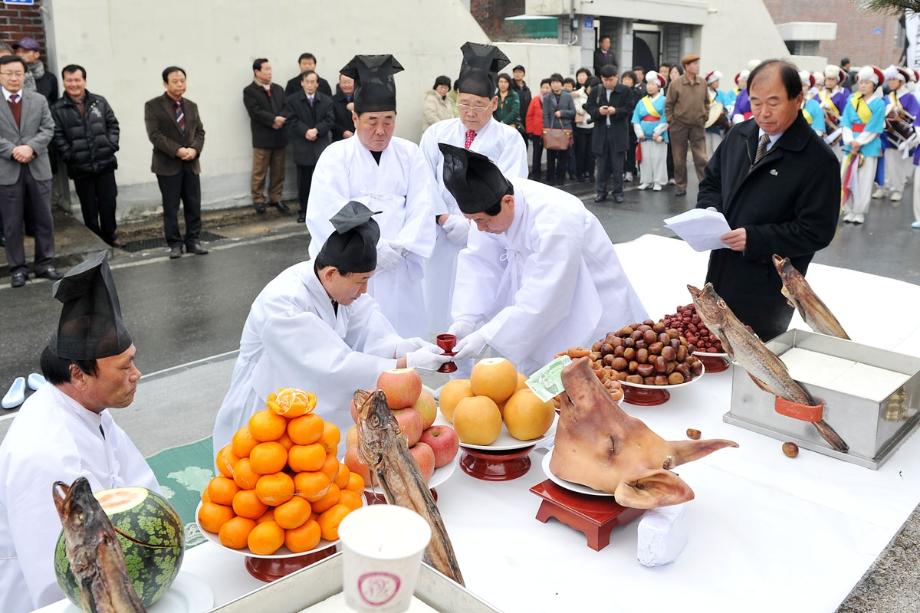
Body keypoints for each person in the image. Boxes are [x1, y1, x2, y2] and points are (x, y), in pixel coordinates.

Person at [213, 201, 449, 450]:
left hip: (307, 394)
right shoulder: (284, 302)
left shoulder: (340, 289)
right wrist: (405, 364)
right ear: (331, 274)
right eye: (361, 281)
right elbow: (329, 365)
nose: (365, 290)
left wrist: (401, 348)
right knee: (269, 470)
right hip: (267, 396)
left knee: (326, 455)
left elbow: (368, 325)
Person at [0, 252, 158, 613]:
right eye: (125, 366)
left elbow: (139, 488)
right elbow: (60, 582)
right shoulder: (45, 455)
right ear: (78, 374)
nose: (137, 374)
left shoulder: (87, 408)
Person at [440, 144, 647, 375]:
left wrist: (488, 335)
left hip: (592, 302)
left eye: (482, 221)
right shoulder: (489, 209)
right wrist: (467, 318)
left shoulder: (556, 218)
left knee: (599, 374)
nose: (480, 228)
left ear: (508, 202)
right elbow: (480, 265)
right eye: (473, 221)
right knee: (541, 376)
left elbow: (545, 295)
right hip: (541, 307)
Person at [696, 59, 840, 341]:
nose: (763, 113)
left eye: (773, 102)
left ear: (798, 99)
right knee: (712, 344)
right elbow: (712, 182)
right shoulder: (740, 135)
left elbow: (817, 231)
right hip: (721, 267)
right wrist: (709, 212)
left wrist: (756, 239)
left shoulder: (818, 160)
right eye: (756, 102)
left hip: (769, 285)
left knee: (757, 355)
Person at [306, 54, 437, 338]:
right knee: (357, 343)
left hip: (399, 265)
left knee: (401, 345)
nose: (381, 130)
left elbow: (422, 207)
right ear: (355, 117)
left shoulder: (410, 154)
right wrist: (372, 250)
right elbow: (326, 212)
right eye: (371, 121)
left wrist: (399, 247)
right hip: (352, 271)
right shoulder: (335, 156)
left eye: (388, 121)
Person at [419, 41, 527, 335]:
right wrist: (443, 217)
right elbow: (423, 180)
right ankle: (445, 360)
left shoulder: (509, 139)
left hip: (488, 236)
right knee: (441, 301)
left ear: (494, 104)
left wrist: (475, 223)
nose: (470, 112)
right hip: (442, 235)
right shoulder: (436, 134)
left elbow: (512, 187)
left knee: (483, 305)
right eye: (464, 103)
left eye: (479, 105)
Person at [0, 54, 60, 288]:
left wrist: (31, 148)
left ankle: (45, 263)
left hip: (37, 166)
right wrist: (13, 150)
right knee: (12, 222)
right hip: (7, 168)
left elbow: (48, 128)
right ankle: (18, 268)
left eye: (18, 73)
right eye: (8, 73)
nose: (14, 78)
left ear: (24, 75)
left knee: (44, 218)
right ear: (0, 75)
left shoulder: (38, 100)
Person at [51, 64, 121, 247]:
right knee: (89, 207)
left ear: (84, 81)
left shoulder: (99, 102)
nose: (73, 84)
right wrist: (70, 155)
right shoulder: (57, 108)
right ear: (64, 82)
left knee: (108, 203)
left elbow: (113, 124)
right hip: (80, 167)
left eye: (77, 80)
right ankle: (95, 241)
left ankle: (111, 236)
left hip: (105, 163)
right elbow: (57, 136)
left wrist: (110, 145)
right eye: (69, 80)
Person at [144, 66, 207, 259]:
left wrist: (194, 150)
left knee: (193, 204)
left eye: (182, 80)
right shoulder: (153, 105)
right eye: (175, 81)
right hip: (167, 164)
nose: (180, 84)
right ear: (165, 83)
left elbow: (200, 132)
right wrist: (178, 150)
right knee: (171, 206)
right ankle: (174, 243)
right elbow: (155, 135)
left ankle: (193, 240)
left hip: (191, 162)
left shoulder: (191, 105)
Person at [285, 70, 335, 224]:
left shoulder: (326, 100)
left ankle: (322, 211)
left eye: (313, 82)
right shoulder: (292, 100)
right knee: (304, 182)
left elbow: (330, 120)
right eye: (307, 82)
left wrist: (317, 130)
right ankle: (304, 211)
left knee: (322, 181)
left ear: (317, 84)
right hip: (303, 145)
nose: (310, 85)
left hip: (320, 145)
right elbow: (291, 120)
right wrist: (305, 131)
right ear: (302, 83)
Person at [839, 66, 886, 225]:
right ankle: (849, 209)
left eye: (867, 83)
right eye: (861, 82)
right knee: (846, 176)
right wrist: (850, 140)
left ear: (874, 85)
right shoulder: (852, 100)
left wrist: (859, 142)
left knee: (864, 179)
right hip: (850, 143)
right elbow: (845, 122)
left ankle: (859, 211)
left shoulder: (879, 103)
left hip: (868, 145)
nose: (863, 85)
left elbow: (874, 126)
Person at [242, 58, 289, 216]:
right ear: (257, 72)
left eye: (270, 69)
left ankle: (276, 197)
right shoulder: (249, 91)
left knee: (278, 170)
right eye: (266, 69)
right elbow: (254, 111)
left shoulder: (278, 88)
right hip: (262, 137)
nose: (269, 72)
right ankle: (258, 199)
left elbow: (285, 107)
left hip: (279, 135)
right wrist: (272, 120)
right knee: (259, 171)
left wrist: (281, 119)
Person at [665, 54, 709, 197]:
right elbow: (669, 104)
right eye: (694, 64)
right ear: (687, 66)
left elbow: (707, 102)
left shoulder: (702, 82)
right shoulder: (676, 84)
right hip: (679, 126)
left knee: (701, 157)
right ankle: (681, 186)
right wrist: (672, 121)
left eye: (697, 63)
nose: (697, 66)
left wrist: (705, 116)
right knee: (679, 158)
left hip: (697, 125)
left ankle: (706, 185)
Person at [585, 65, 630, 203]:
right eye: (605, 80)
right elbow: (589, 107)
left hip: (618, 132)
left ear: (617, 77)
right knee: (601, 165)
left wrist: (615, 110)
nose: (607, 83)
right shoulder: (596, 91)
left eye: (610, 80)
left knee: (618, 165)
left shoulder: (625, 91)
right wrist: (599, 111)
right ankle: (601, 192)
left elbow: (629, 108)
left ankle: (618, 192)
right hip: (601, 132)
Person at [877, 65, 920, 204]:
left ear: (901, 81)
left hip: (901, 137)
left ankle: (897, 189)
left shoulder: (910, 98)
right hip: (886, 134)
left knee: (898, 164)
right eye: (889, 79)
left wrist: (900, 118)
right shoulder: (887, 97)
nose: (890, 82)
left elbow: (915, 118)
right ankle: (884, 186)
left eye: (893, 79)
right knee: (887, 163)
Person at [631, 71, 669, 191]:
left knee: (658, 158)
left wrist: (657, 132)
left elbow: (666, 118)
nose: (650, 86)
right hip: (643, 136)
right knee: (645, 159)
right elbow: (636, 118)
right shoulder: (642, 101)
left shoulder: (664, 100)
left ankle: (658, 181)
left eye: (653, 84)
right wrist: (639, 133)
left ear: (658, 86)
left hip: (658, 135)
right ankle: (646, 180)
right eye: (648, 84)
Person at [542, 73, 576, 186]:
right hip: (551, 130)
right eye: (553, 83)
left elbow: (573, 112)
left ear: (561, 84)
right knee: (550, 155)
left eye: (557, 82)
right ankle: (550, 178)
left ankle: (561, 178)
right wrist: (546, 129)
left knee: (564, 155)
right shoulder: (547, 97)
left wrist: (562, 113)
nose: (555, 85)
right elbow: (545, 114)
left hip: (565, 129)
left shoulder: (568, 96)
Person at [817, 64, 848, 162]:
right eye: (827, 79)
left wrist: (834, 116)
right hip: (821, 132)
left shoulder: (842, 95)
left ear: (837, 80)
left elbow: (846, 116)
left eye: (832, 79)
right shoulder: (818, 95)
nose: (829, 82)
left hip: (836, 133)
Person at [13, 37, 57, 106]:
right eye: (18, 51)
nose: (20, 54)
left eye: (25, 51)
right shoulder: (12, 77)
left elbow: (53, 102)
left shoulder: (49, 78)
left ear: (36, 54)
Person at [525, 79, 550, 181]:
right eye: (543, 87)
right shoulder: (535, 99)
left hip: (549, 132)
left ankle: (550, 175)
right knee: (536, 155)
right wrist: (530, 131)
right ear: (540, 88)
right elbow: (529, 116)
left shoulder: (553, 100)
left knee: (550, 155)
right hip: (537, 132)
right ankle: (536, 175)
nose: (545, 89)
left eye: (547, 87)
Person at [703, 70, 731, 156]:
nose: (718, 83)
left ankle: (717, 168)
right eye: (716, 81)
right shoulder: (704, 94)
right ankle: (708, 168)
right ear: (710, 82)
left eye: (718, 81)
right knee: (707, 149)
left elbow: (728, 106)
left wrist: (724, 110)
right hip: (706, 125)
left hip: (718, 126)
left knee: (717, 147)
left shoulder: (721, 94)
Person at [572, 76, 594, 182]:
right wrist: (586, 105)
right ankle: (579, 173)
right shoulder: (578, 94)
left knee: (591, 152)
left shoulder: (597, 95)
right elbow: (579, 110)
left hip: (593, 126)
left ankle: (590, 173)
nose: (592, 90)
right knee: (581, 152)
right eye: (590, 87)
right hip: (581, 126)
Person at [620, 71, 639, 183]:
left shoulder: (636, 93)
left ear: (633, 81)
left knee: (631, 150)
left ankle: (629, 171)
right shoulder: (618, 92)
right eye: (625, 79)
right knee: (621, 149)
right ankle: (621, 170)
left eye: (629, 79)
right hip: (620, 125)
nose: (627, 81)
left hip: (631, 125)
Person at [799, 70, 826, 138]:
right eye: (799, 85)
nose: (801, 88)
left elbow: (818, 131)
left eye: (804, 85)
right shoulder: (788, 103)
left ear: (809, 87)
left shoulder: (815, 105)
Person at [332, 72, 356, 142]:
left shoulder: (361, 100)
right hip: (338, 139)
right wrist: (342, 131)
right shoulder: (332, 100)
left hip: (359, 138)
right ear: (339, 84)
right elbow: (330, 120)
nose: (347, 85)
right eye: (344, 82)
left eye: (349, 82)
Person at [511, 64, 531, 139]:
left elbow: (529, 105)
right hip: (513, 121)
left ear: (524, 74)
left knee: (524, 143)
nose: (517, 74)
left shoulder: (527, 89)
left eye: (519, 72)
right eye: (515, 72)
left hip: (525, 121)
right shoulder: (510, 87)